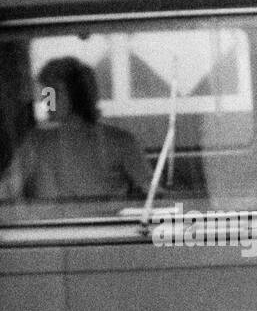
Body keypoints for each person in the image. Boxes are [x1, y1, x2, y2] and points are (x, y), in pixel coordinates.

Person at [0, 56, 151, 202]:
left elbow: (152, 192)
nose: (47, 100)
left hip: (105, 226)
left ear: (79, 94)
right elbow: (7, 189)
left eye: (54, 92)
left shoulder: (120, 141)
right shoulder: (35, 142)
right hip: (49, 226)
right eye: (45, 92)